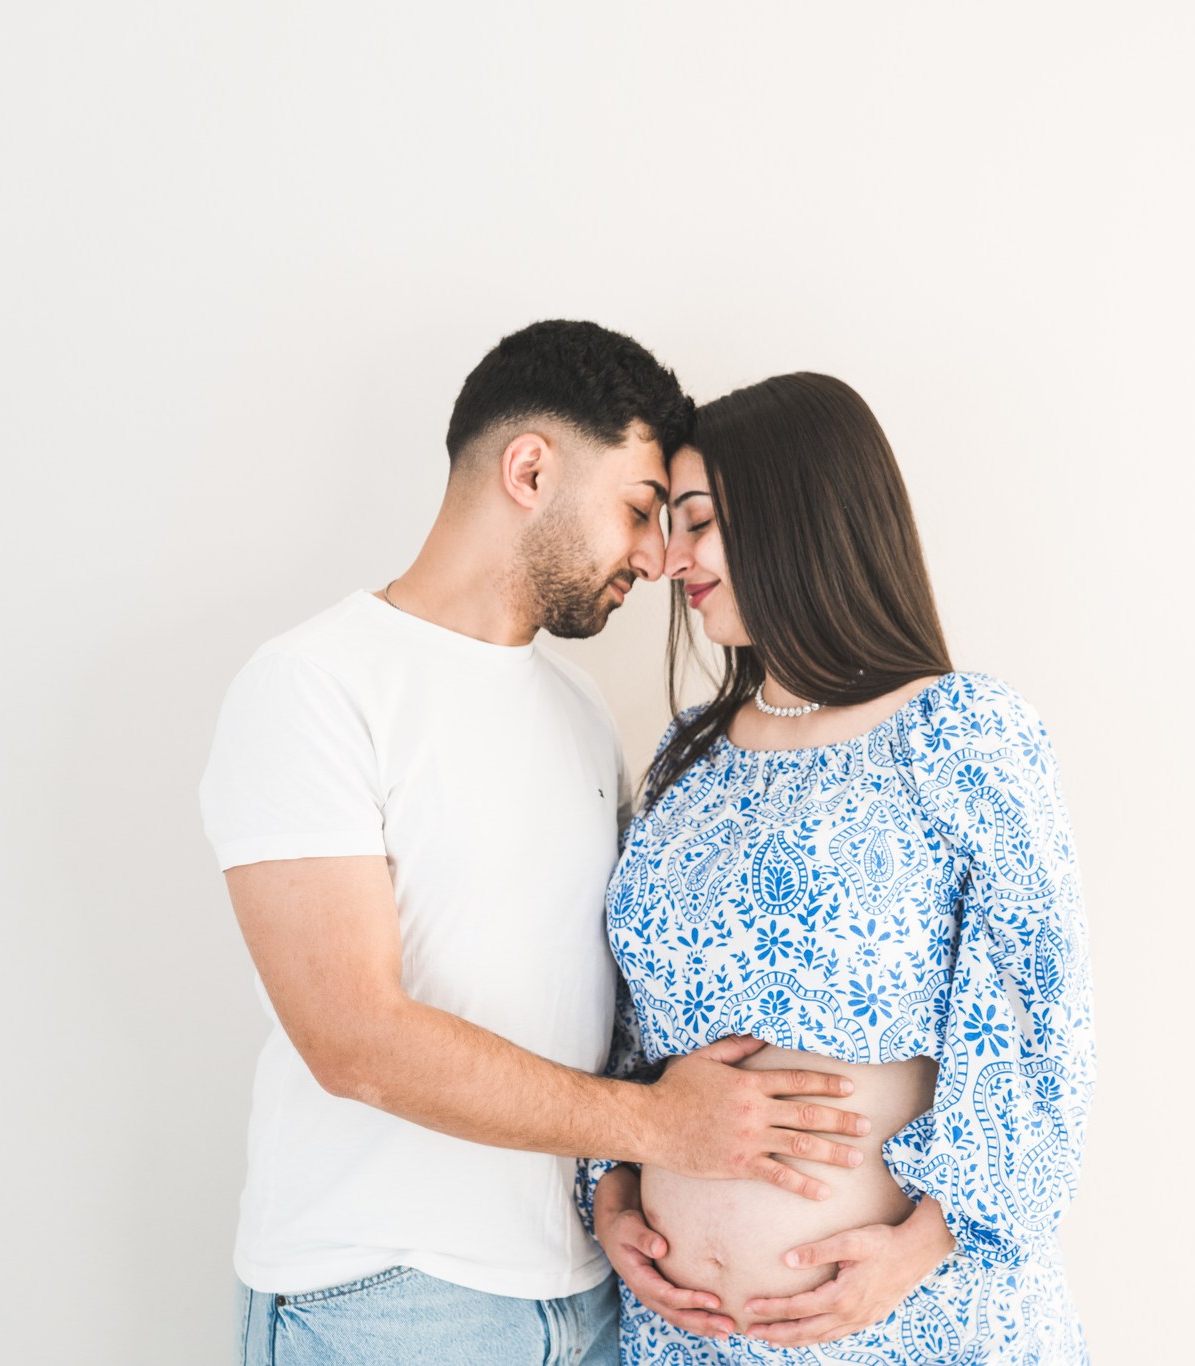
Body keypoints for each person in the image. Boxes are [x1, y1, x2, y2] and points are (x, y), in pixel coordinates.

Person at [199, 324, 872, 1366]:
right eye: (640, 509)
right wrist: (661, 1131)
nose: (657, 558)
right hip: (384, 1299)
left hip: (592, 1294)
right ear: (529, 468)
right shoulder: (313, 686)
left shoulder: (579, 712)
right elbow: (353, 1039)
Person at [581, 373, 1097, 1363]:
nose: (672, 558)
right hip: (686, 1338)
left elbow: (1042, 1021)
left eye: (698, 522)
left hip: (909, 1324)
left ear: (791, 517)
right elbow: (626, 1025)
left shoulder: (958, 732)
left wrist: (915, 1251)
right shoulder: (688, 753)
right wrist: (611, 1195)